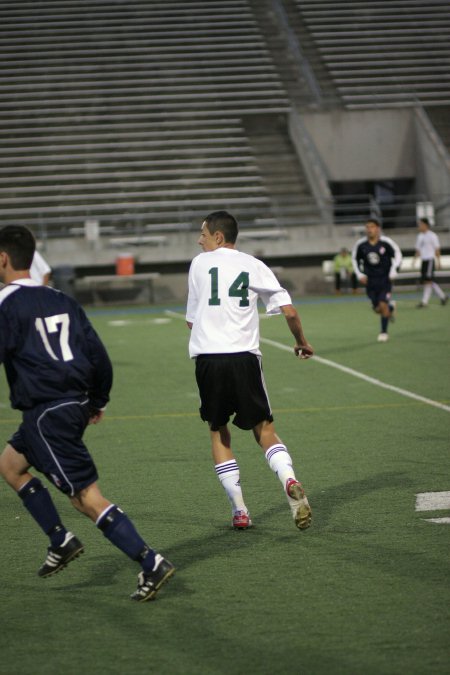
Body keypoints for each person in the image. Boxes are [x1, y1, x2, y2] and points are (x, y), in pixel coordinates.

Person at [0, 225, 174, 602]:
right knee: (11, 465)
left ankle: (151, 561)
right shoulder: (62, 299)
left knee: (85, 497)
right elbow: (99, 356)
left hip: (48, 412)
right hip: (71, 404)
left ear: (2, 259)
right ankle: (60, 539)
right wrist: (98, 401)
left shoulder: (6, 304)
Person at [186, 210, 313, 531]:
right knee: (264, 429)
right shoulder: (253, 265)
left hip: (207, 359)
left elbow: (191, 320)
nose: (199, 239)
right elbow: (289, 311)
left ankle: (240, 510)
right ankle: (289, 479)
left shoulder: (199, 264)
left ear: (218, 237)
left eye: (203, 233)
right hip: (244, 357)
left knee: (218, 431)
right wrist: (301, 341)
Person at [352, 218, 402, 342]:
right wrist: (359, 274)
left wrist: (394, 270)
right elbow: (354, 259)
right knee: (378, 309)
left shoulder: (386, 242)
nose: (369, 230)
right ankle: (390, 308)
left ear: (378, 228)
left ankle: (384, 332)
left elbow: (398, 255)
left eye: (372, 227)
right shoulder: (361, 245)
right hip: (370, 281)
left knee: (382, 304)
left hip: (385, 279)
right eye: (367, 227)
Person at [413, 218, 448, 308]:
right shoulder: (420, 236)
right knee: (427, 281)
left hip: (430, 260)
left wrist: (439, 261)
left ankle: (424, 302)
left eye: (421, 224)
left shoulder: (432, 236)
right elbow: (418, 250)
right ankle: (443, 296)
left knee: (428, 281)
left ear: (425, 225)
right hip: (424, 261)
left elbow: (437, 249)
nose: (419, 226)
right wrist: (415, 260)